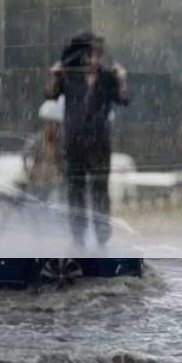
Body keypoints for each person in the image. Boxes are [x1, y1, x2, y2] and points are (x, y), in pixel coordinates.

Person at [47, 32, 130, 249]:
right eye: (91, 53)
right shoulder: (70, 76)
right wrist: (55, 76)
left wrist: (122, 78)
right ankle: (78, 238)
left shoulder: (107, 77)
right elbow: (50, 95)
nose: (94, 59)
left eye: (97, 54)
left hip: (99, 143)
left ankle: (102, 237)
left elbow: (124, 98)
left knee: (100, 190)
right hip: (74, 142)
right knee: (75, 191)